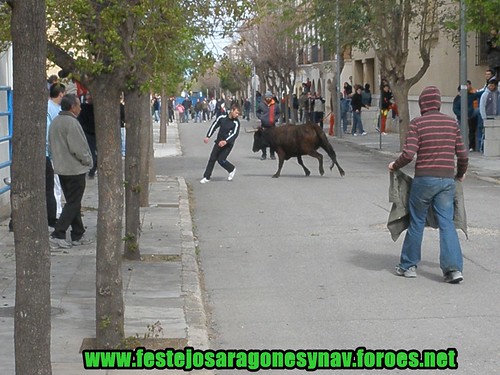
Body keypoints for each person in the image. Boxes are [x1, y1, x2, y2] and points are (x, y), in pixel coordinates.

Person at [388, 86, 469, 284]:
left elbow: (408, 154)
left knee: (416, 221)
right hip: (447, 181)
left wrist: (394, 165)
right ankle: (453, 270)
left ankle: (408, 266)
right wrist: (459, 174)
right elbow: (463, 155)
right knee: (446, 223)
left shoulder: (418, 124)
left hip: (424, 180)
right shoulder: (452, 124)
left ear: (423, 104)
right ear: (439, 103)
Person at [48, 94, 93, 249]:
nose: (80, 108)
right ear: (72, 107)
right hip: (74, 169)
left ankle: (78, 233)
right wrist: (87, 160)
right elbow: (79, 148)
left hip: (61, 168)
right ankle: (58, 233)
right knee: (73, 202)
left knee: (72, 202)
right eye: (78, 105)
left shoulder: (56, 122)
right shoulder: (71, 123)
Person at [200, 104, 241, 184]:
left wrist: (226, 141)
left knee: (221, 160)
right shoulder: (222, 117)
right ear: (232, 110)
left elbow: (235, 134)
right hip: (218, 142)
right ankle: (206, 177)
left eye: (238, 114)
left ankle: (231, 169)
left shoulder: (236, 123)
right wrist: (208, 136)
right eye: (236, 113)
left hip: (228, 144)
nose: (237, 115)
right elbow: (214, 126)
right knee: (212, 158)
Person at [46, 83, 66, 228]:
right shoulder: (49, 108)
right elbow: (49, 133)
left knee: (57, 183)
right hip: (53, 151)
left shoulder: (58, 109)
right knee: (55, 184)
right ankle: (57, 212)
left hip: (58, 151)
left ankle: (58, 210)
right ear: (61, 93)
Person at [77, 92, 97, 178]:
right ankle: (92, 169)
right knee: (92, 152)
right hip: (89, 132)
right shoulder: (84, 107)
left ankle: (92, 169)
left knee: (92, 152)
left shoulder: (84, 108)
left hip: (89, 131)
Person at [256, 91, 280, 160]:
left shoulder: (275, 105)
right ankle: (264, 155)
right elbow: (257, 112)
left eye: (269, 97)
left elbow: (278, 113)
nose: (268, 99)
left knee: (272, 141)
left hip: (272, 126)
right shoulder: (261, 105)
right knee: (263, 141)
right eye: (267, 97)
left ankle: (272, 154)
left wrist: (275, 118)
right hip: (264, 125)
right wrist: (261, 117)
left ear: (271, 97)